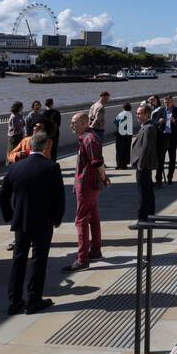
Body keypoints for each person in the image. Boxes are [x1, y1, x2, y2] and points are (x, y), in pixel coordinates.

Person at [0, 131, 66, 315]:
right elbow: (58, 197)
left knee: (18, 259)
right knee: (39, 259)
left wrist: (10, 215)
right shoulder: (52, 168)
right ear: (46, 147)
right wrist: (57, 218)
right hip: (43, 221)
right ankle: (33, 299)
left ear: (30, 146)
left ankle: (14, 301)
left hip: (21, 220)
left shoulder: (15, 168)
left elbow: (3, 194)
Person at [67, 111, 109, 271]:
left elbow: (97, 162)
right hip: (89, 184)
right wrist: (103, 178)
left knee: (81, 220)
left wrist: (104, 177)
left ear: (85, 123)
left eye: (75, 122)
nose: (72, 125)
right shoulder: (87, 138)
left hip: (87, 185)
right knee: (93, 217)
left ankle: (82, 259)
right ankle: (96, 250)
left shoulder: (89, 139)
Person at [130, 104, 158, 220]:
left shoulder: (149, 128)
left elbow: (146, 148)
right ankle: (150, 215)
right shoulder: (146, 126)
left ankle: (142, 218)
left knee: (144, 193)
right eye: (136, 113)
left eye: (139, 113)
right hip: (143, 165)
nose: (137, 115)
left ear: (147, 114)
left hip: (143, 166)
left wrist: (141, 164)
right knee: (148, 191)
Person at [151, 94, 177, 185]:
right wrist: (158, 122)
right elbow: (153, 122)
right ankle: (158, 179)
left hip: (173, 138)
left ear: (172, 102)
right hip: (163, 137)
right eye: (165, 102)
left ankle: (170, 177)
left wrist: (175, 121)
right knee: (160, 159)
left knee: (172, 159)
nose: (167, 104)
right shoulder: (161, 110)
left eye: (168, 102)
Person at [114, 102, 135, 169]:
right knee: (127, 148)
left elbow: (115, 122)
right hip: (128, 133)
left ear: (123, 108)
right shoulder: (130, 114)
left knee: (119, 149)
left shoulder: (120, 114)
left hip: (120, 133)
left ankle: (119, 164)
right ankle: (124, 164)